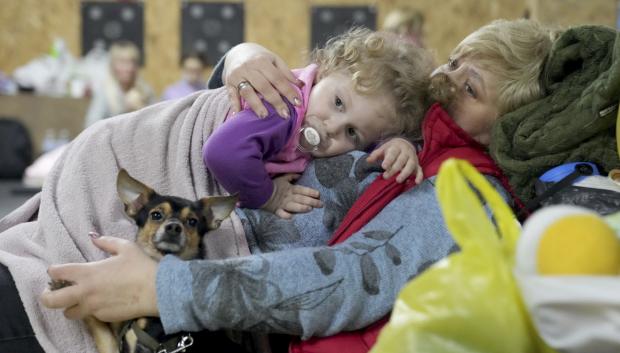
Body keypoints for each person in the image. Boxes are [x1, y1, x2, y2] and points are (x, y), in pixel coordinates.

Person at [35, 19, 554, 353]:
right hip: (136, 193)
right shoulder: (416, 129)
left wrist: (159, 287)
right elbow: (253, 116)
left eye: (469, 85)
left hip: (179, 276)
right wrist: (243, 57)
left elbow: (348, 279)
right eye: (455, 58)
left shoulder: (458, 186)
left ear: (509, 123)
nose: (444, 76)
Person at [202, 28, 432, 218]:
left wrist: (399, 144)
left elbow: (372, 143)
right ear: (324, 72)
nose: (332, 127)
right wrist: (270, 196)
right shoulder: (283, 108)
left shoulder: (325, 104)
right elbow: (221, 153)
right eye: (339, 103)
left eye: (351, 132)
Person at [84, 41, 155, 128]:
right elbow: (91, 127)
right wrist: (125, 110)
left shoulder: (145, 90)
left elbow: (156, 124)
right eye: (122, 62)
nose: (128, 68)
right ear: (112, 66)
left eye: (132, 62)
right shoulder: (104, 92)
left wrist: (141, 109)